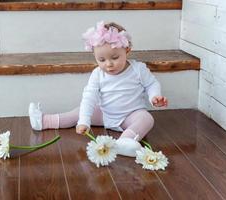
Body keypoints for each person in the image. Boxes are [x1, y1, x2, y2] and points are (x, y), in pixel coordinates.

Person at [29, 21, 168, 157]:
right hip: (104, 113)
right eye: (101, 60)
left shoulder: (138, 69)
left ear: (127, 50)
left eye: (114, 57)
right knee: (77, 113)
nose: (109, 64)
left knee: (146, 119)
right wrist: (84, 121)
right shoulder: (98, 74)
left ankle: (124, 142)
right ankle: (44, 121)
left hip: (130, 115)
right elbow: (89, 98)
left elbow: (151, 84)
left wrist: (154, 96)